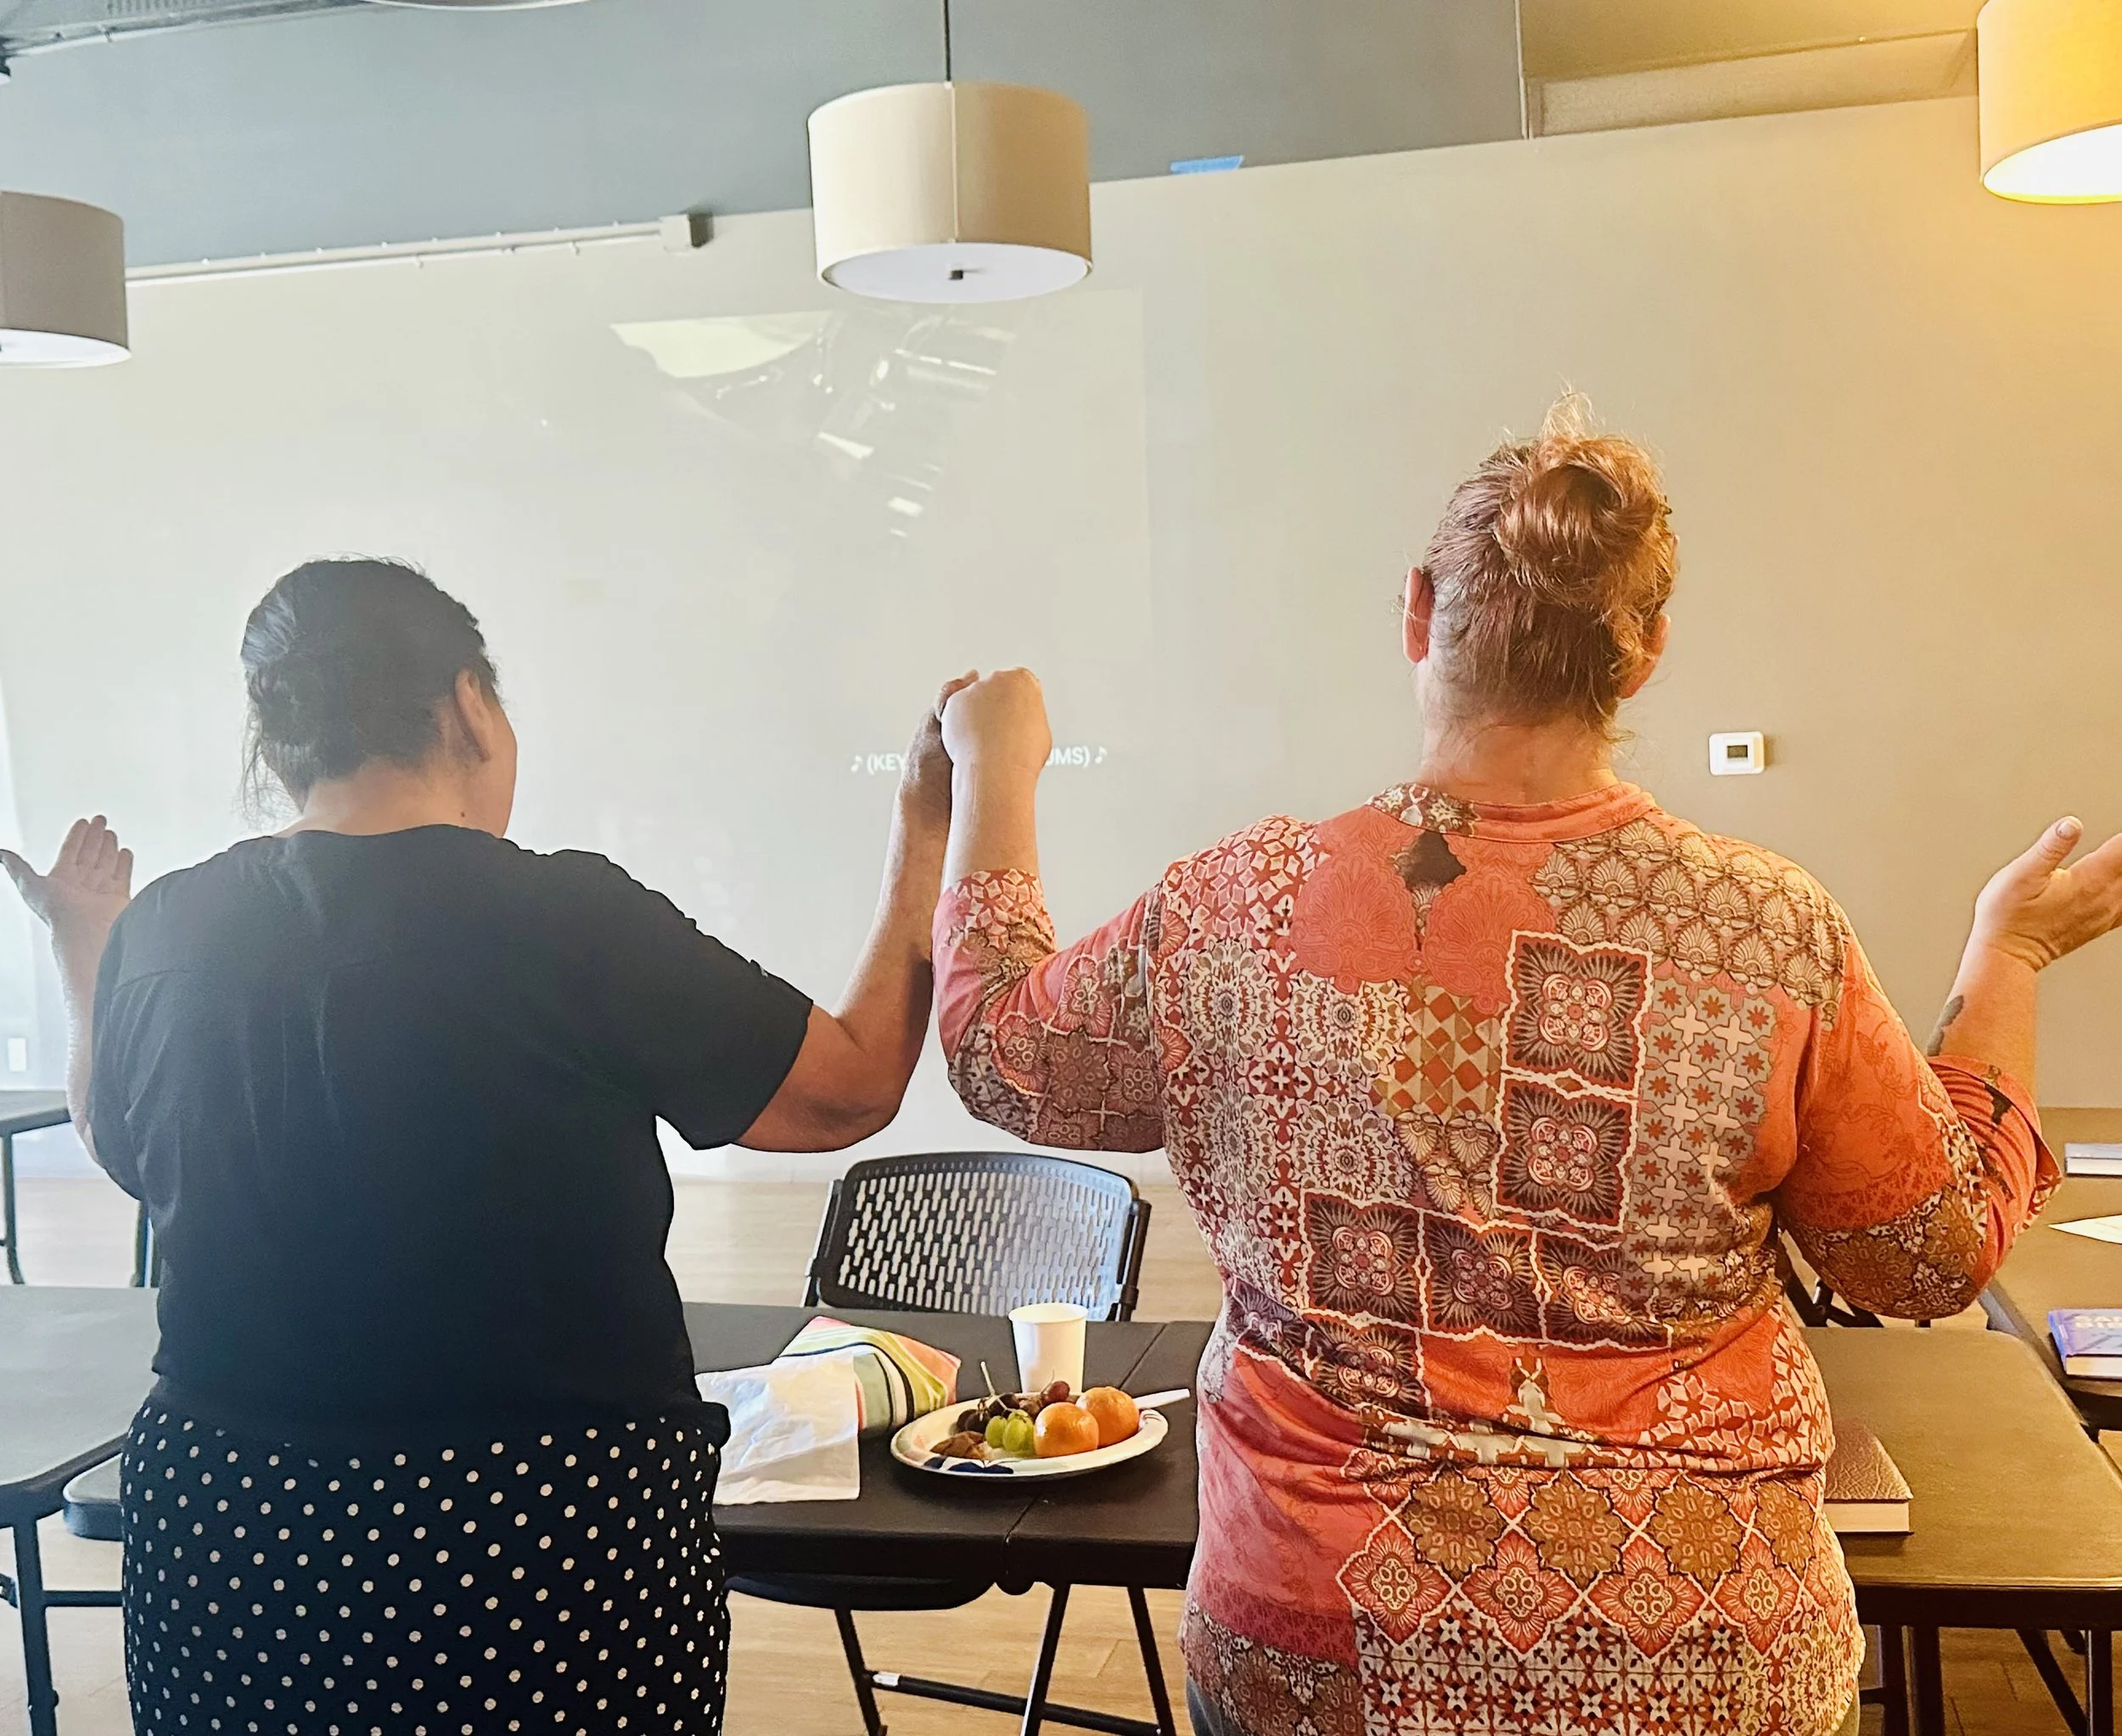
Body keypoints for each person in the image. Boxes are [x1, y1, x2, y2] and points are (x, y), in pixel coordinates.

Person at [929, 402, 2122, 1736]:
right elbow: (1928, 1252)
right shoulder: (1764, 932)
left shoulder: (1232, 909)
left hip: (1325, 1658)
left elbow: (999, 1055)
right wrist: (2007, 956)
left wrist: (994, 768)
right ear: (1649, 650)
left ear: (1418, 609)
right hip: (1701, 1661)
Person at [2, 558, 966, 1736]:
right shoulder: (567, 917)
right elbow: (848, 1090)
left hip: (231, 1525)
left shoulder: (171, 923)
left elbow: (120, 1140)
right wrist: (926, 829)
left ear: (279, 739)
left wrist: (84, 945)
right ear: (469, 705)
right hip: (538, 1531)